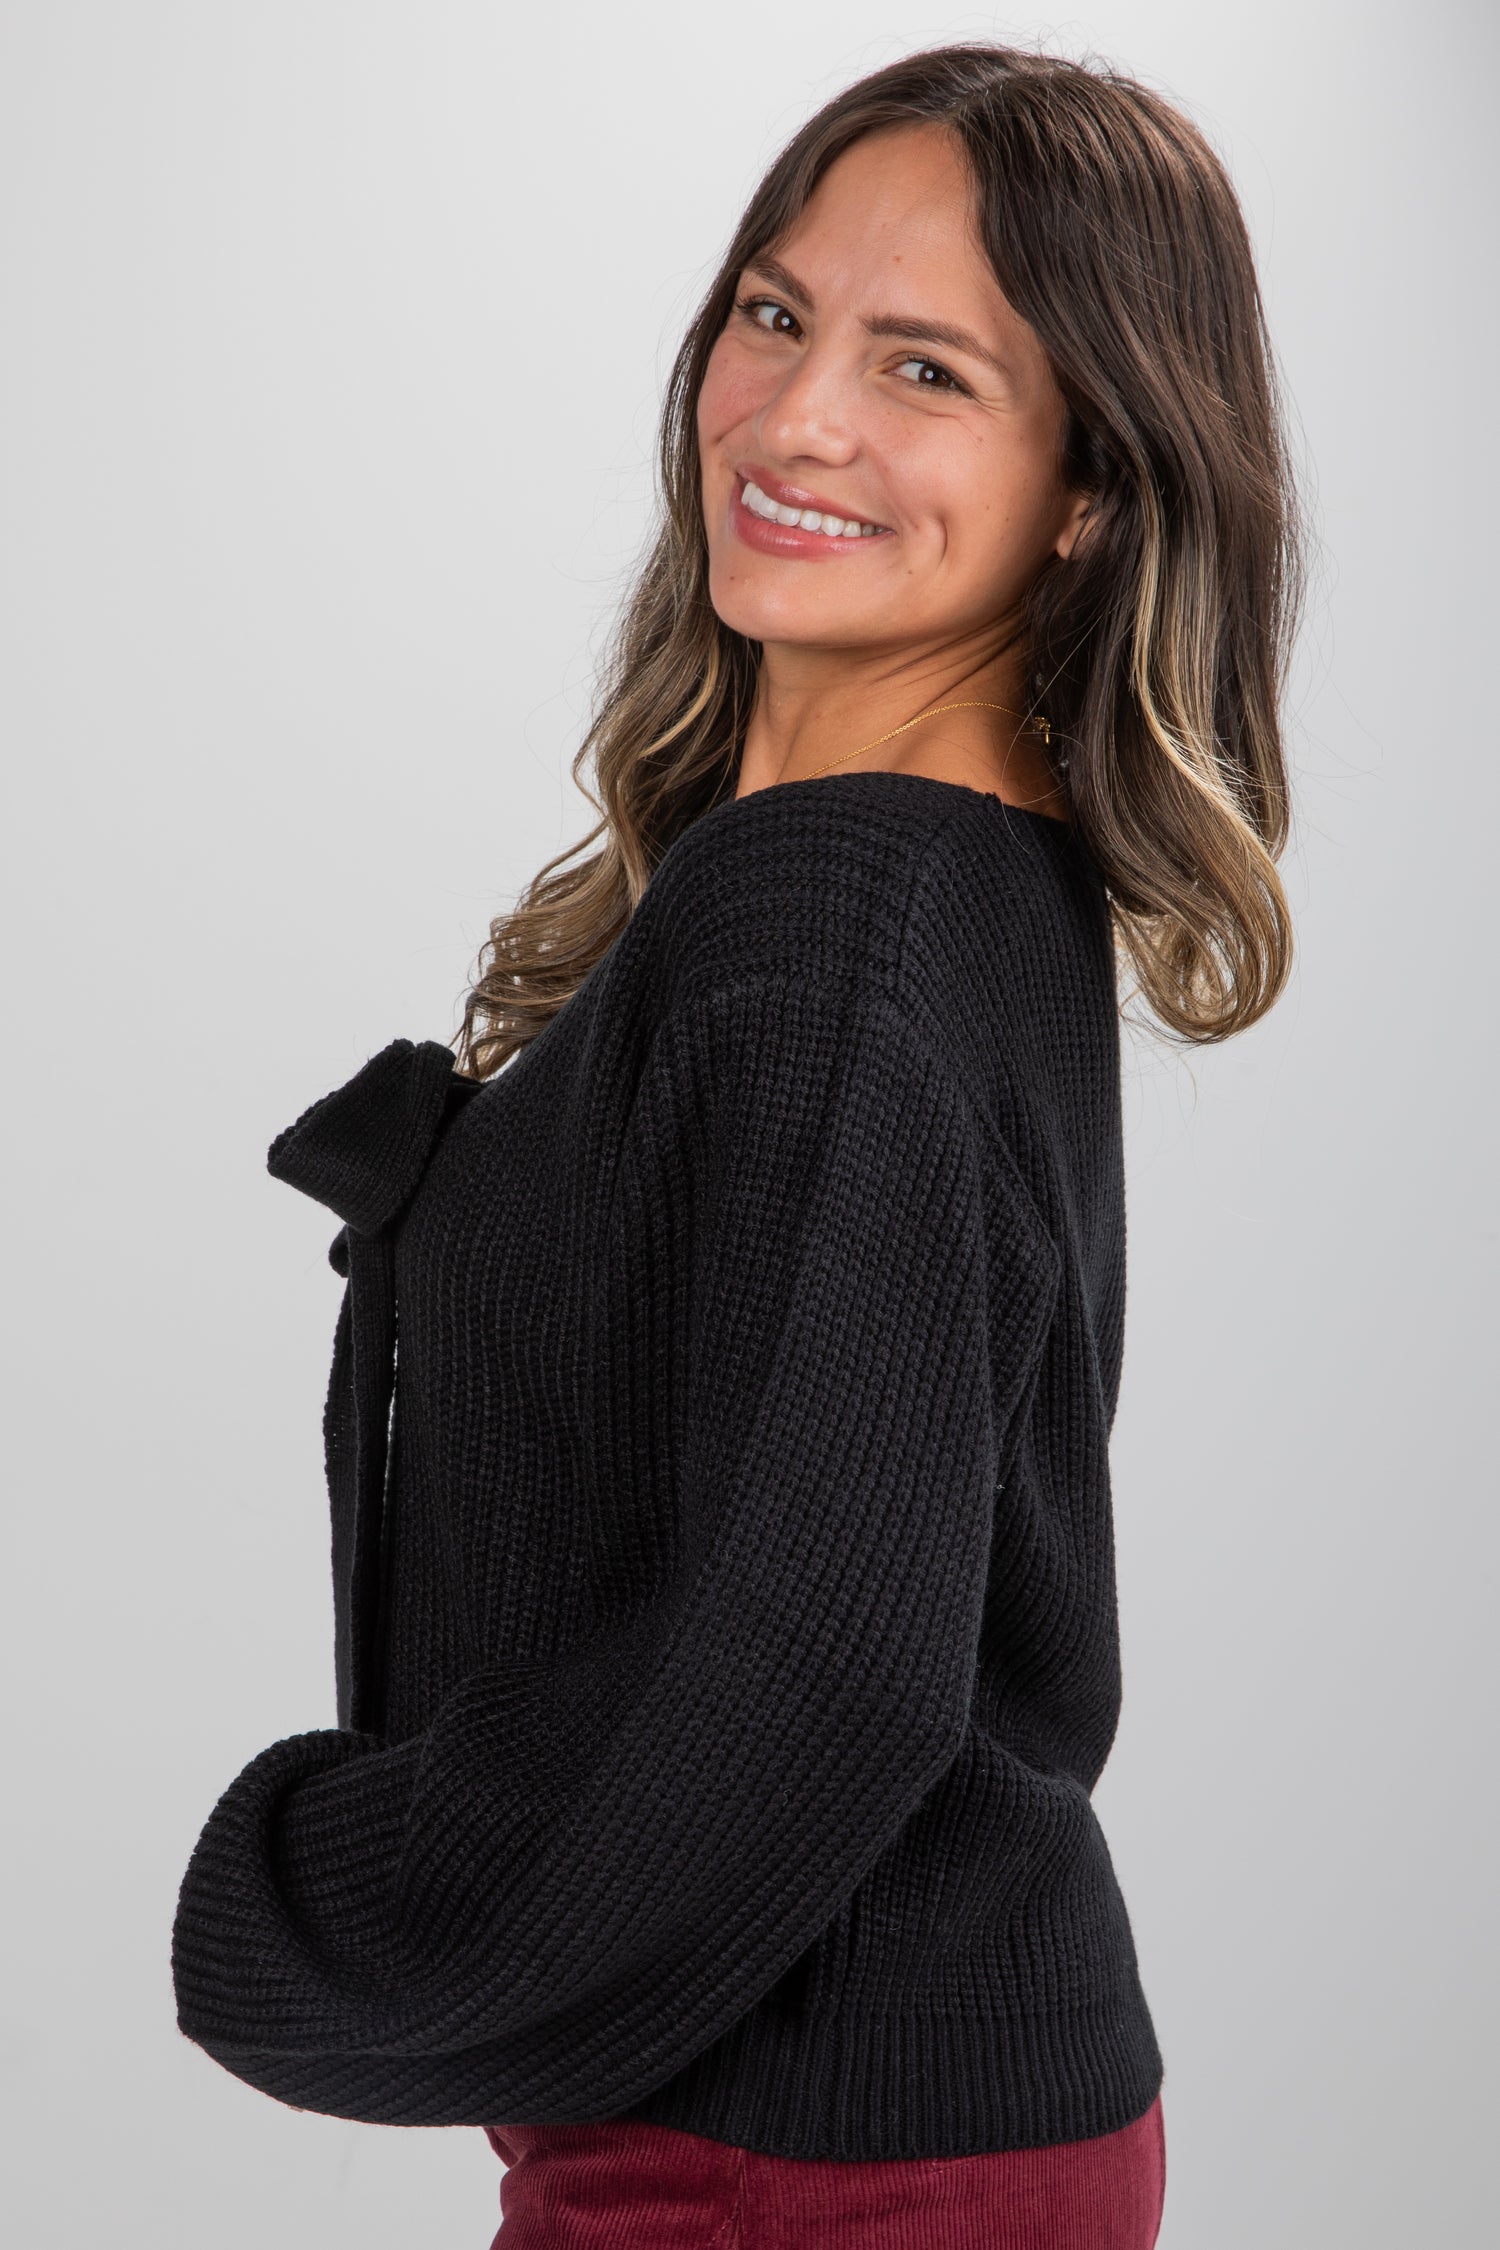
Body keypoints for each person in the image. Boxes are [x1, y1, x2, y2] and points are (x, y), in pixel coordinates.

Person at [172, 40, 1300, 2249]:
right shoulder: (943, 874)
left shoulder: (843, 918)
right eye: (774, 315)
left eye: (929, 369)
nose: (797, 421)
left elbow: (809, 1662)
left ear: (1090, 486)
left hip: (800, 2158)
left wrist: (318, 1902)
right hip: (869, 2116)